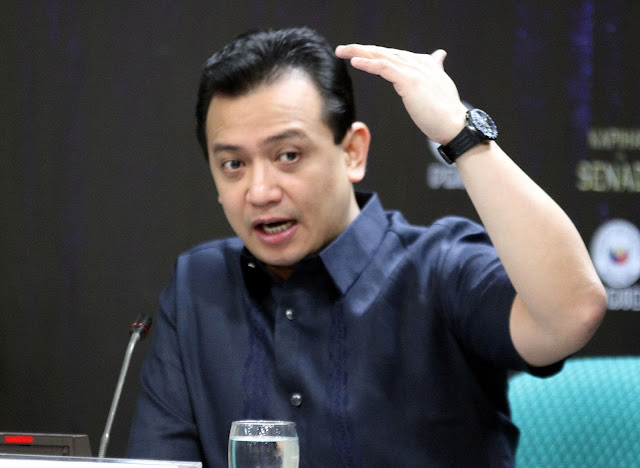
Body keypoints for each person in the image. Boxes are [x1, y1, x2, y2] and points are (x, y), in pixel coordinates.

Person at [126, 27, 606, 467]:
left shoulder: (439, 268)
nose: (260, 191)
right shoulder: (199, 286)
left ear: (352, 152)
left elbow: (571, 313)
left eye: (288, 155)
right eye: (233, 165)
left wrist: (461, 135)